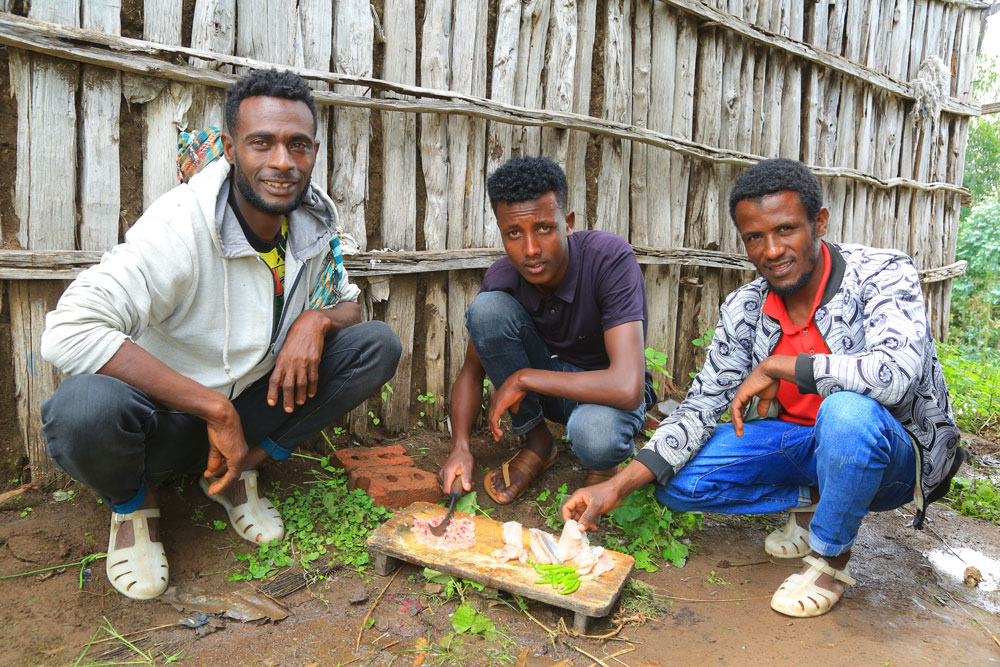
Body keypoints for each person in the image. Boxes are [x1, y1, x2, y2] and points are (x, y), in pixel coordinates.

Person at [40, 69, 402, 600]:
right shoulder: (179, 228)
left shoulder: (310, 226)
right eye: (262, 143)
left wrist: (316, 320)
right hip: (163, 423)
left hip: (254, 407)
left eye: (297, 145)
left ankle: (239, 474)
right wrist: (214, 409)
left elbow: (345, 303)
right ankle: (133, 506)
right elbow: (68, 331)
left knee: (375, 345)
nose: (282, 161)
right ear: (231, 148)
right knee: (82, 407)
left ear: (314, 151)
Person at [562, 158, 962, 617]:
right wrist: (616, 485)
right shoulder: (745, 307)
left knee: (847, 412)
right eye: (755, 237)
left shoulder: (882, 274)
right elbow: (700, 407)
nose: (771, 250)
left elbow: (893, 375)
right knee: (678, 483)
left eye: (786, 229)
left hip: (890, 453)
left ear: (820, 222)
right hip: (802, 443)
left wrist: (781, 365)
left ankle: (830, 556)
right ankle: (816, 500)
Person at [439, 156, 656, 505]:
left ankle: (602, 467)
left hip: (610, 397)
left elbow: (627, 388)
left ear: (567, 223)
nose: (530, 249)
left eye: (543, 228)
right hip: (556, 390)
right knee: (487, 310)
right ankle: (538, 443)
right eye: (514, 233)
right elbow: (471, 372)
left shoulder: (609, 259)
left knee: (595, 436)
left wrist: (524, 379)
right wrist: (459, 447)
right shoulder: (503, 279)